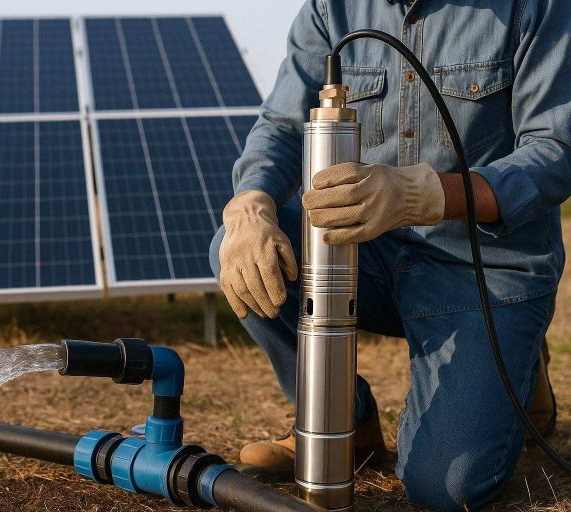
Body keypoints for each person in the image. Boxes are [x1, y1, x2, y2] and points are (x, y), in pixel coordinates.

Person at [208, 1, 571, 510]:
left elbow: (555, 152)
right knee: (249, 250)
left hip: (483, 265)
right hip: (368, 250)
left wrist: (429, 196)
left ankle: (520, 360)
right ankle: (346, 420)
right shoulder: (329, 9)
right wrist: (250, 201)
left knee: (445, 488)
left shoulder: (535, 7)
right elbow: (285, 126)